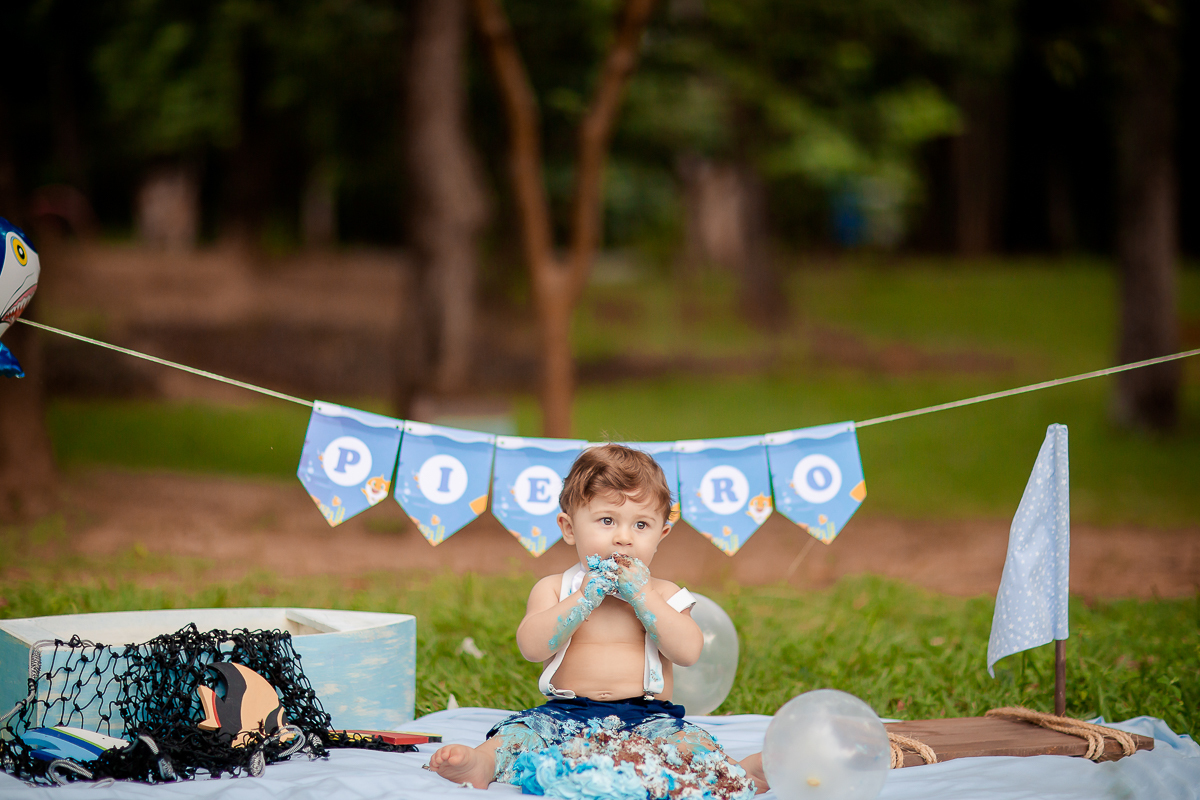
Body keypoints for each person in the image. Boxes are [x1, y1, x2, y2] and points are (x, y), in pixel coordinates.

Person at [428, 443, 768, 794]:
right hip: (565, 714)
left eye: (641, 525)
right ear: (569, 528)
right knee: (521, 733)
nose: (623, 538)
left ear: (661, 535)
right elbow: (531, 647)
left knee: (688, 746)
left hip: (650, 719)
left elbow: (687, 652)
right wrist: (581, 600)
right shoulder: (555, 589)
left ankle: (737, 773)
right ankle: (483, 763)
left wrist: (643, 597)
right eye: (607, 521)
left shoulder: (665, 594)